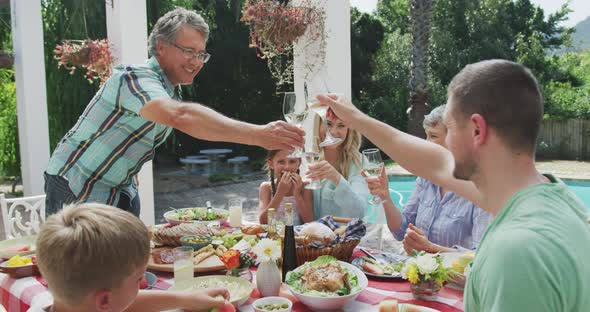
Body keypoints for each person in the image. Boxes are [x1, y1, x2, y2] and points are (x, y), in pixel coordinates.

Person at [318, 59, 590, 311]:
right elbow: (433, 163)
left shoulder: (517, 251)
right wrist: (354, 117)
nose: (438, 144)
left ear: (476, 131)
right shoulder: (553, 197)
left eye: (448, 127)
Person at [44, 7, 304, 216]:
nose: (196, 62)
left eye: (201, 54)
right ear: (161, 47)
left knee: (126, 272)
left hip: (118, 191)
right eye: (189, 51)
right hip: (76, 185)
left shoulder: (171, 90)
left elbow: (189, 126)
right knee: (83, 277)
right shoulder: (133, 78)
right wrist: (258, 135)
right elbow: (180, 116)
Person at [32, 203, 232, 312]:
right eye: (138, 278)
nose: (142, 282)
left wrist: (187, 299)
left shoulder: (58, 302)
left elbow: (124, 302)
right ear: (104, 299)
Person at [364, 105, 491, 254]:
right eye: (426, 136)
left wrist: (431, 249)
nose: (425, 143)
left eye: (433, 136)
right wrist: (385, 196)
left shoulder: (480, 189)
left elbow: (481, 257)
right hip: (417, 274)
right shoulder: (426, 179)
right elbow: (400, 231)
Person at [305, 112, 368, 220]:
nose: (333, 132)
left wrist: (336, 178)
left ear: (349, 129)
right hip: (312, 234)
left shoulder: (358, 162)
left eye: (341, 125)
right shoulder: (308, 158)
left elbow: (359, 212)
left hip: (345, 235)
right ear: (319, 124)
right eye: (328, 124)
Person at [258, 149, 313, 225]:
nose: (287, 167)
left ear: (299, 163)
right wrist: (280, 193)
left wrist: (297, 194)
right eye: (281, 162)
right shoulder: (266, 187)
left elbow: (309, 221)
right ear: (271, 164)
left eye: (292, 161)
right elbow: (263, 222)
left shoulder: (305, 186)